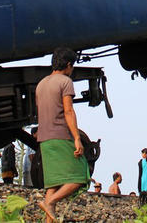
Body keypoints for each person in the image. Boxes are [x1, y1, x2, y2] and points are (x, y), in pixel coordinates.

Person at [36, 47, 90, 223]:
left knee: (53, 182)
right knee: (81, 175)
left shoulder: (41, 84)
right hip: (60, 135)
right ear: (68, 65)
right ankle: (49, 202)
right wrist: (76, 138)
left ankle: (48, 218)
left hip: (44, 138)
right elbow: (68, 111)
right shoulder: (65, 82)